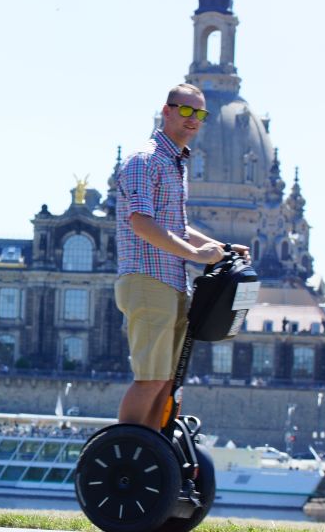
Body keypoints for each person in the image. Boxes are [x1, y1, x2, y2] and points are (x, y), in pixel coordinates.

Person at [114, 83, 248, 430]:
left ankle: (152, 446)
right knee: (151, 379)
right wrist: (193, 254)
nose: (193, 120)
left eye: (199, 114)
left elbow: (178, 227)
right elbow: (141, 222)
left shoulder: (175, 164)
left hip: (172, 282)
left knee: (168, 383)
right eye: (185, 111)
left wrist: (223, 248)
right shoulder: (145, 160)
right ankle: (128, 446)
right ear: (167, 110)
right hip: (147, 278)